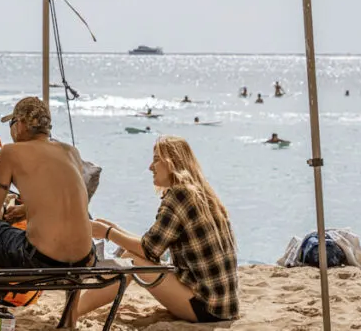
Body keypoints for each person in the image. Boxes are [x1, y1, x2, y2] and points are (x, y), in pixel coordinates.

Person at [76, 136, 239, 324]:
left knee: (130, 261)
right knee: (131, 256)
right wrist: (114, 229)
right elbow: (154, 243)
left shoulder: (179, 195)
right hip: (224, 305)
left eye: (156, 159)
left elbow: (150, 250)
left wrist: (107, 233)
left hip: (206, 307)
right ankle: (76, 308)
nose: (150, 167)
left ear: (171, 163)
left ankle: (74, 312)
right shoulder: (199, 192)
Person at [0, 97, 94, 329]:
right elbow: (68, 202)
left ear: (21, 124)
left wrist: (6, 214)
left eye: (11, 123)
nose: (11, 129)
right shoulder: (70, 151)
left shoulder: (11, 152)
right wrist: (25, 210)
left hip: (41, 258)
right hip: (85, 257)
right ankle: (69, 321)